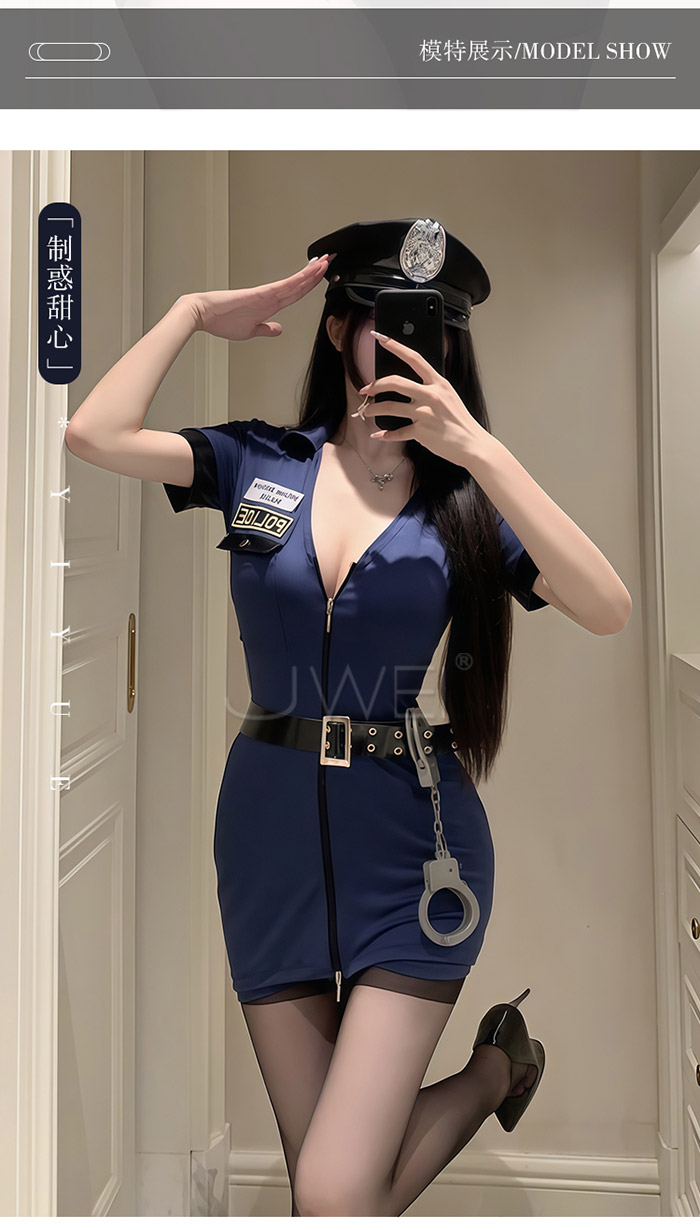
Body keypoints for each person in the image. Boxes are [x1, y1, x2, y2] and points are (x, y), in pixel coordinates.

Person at [65, 217, 632, 1217]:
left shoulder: (462, 499)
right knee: (332, 1197)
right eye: (385, 316)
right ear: (337, 330)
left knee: (331, 1196)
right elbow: (93, 434)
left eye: (435, 325)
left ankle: (491, 1074)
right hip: (266, 840)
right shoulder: (259, 463)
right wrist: (191, 313)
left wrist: (478, 449)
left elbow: (606, 604)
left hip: (415, 852)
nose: (412, 341)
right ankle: (502, 1066)